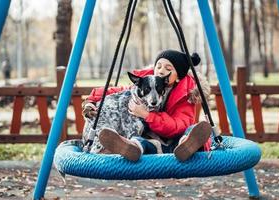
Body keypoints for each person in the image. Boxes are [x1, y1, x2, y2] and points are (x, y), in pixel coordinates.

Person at [82, 49, 212, 162]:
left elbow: (177, 126)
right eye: (158, 66)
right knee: (142, 142)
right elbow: (116, 90)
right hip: (155, 139)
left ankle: (188, 145)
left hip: (175, 137)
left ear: (178, 76)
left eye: (168, 69)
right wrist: (90, 101)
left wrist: (147, 115)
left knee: (192, 130)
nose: (161, 71)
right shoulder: (147, 81)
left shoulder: (186, 96)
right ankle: (130, 147)